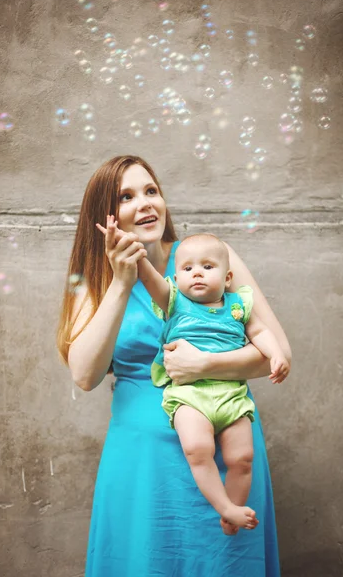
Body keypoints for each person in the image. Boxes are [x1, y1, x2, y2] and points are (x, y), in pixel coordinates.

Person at [57, 155, 292, 576]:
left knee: (226, 563)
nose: (145, 203)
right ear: (104, 217)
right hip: (144, 464)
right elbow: (85, 375)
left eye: (151, 191)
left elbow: (275, 353)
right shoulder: (94, 278)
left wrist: (204, 364)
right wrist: (121, 281)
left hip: (226, 451)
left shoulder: (207, 257)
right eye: (126, 197)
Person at [96, 218, 290, 534]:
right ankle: (224, 506)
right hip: (189, 396)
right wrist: (131, 249)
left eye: (207, 266)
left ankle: (233, 512)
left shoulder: (238, 304)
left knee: (242, 457)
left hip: (231, 394)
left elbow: (261, 332)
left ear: (228, 278)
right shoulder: (175, 301)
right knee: (198, 449)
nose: (196, 272)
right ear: (176, 278)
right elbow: (148, 276)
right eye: (187, 269)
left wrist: (276, 353)